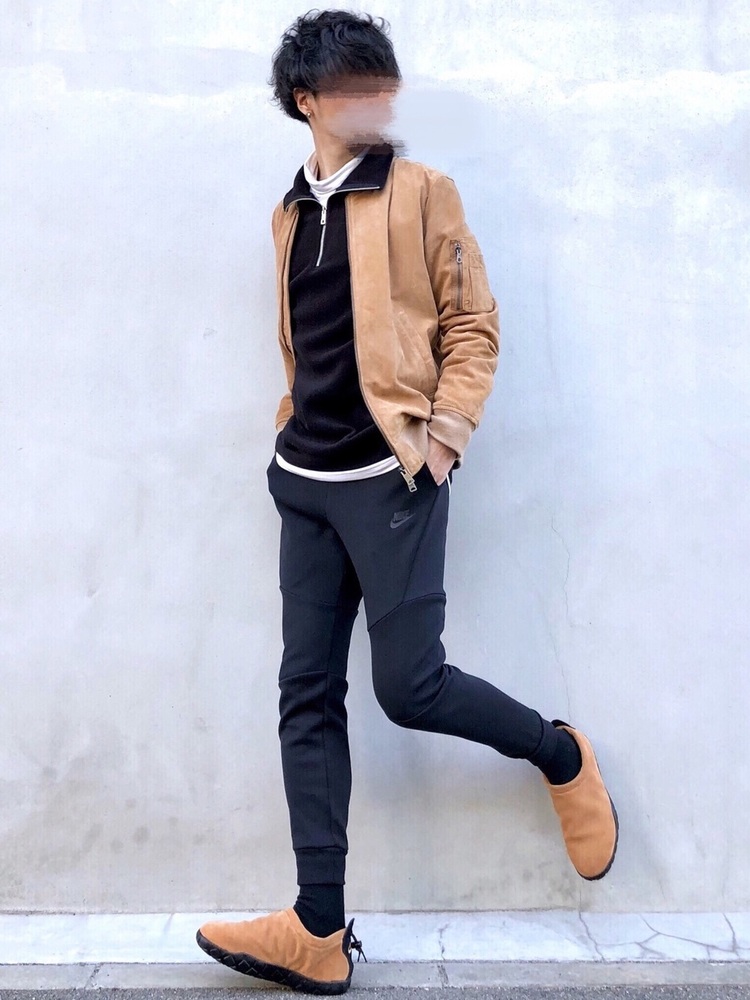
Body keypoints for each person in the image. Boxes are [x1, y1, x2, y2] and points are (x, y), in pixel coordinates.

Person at [196, 10, 618, 995]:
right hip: (306, 485)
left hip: (393, 479)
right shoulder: (288, 213)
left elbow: (474, 324)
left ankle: (558, 752)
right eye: (356, 86)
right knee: (305, 696)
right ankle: (318, 928)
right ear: (308, 101)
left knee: (410, 687)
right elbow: (306, 344)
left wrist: (443, 439)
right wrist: (289, 433)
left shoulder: (424, 191)